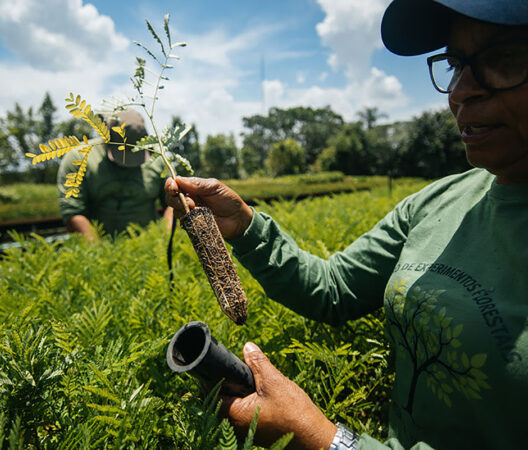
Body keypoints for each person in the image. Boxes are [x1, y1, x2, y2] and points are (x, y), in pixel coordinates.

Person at [165, 0, 528, 448]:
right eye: (456, 63)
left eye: (502, 59)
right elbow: (334, 288)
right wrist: (245, 226)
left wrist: (324, 440)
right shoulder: (438, 202)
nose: (461, 90)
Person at [57, 109, 172, 241]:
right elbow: (73, 212)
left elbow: (173, 203)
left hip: (150, 247)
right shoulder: (78, 158)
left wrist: (163, 239)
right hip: (100, 249)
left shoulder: (157, 158)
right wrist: (101, 254)